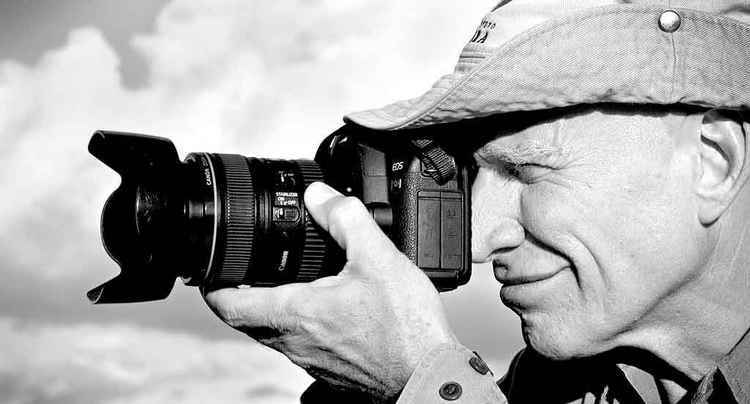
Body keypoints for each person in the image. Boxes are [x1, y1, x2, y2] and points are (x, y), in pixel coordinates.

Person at [203, 1, 750, 402]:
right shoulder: (569, 381)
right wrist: (362, 383)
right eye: (472, 175)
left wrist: (421, 381)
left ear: (713, 162)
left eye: (525, 171)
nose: (479, 242)